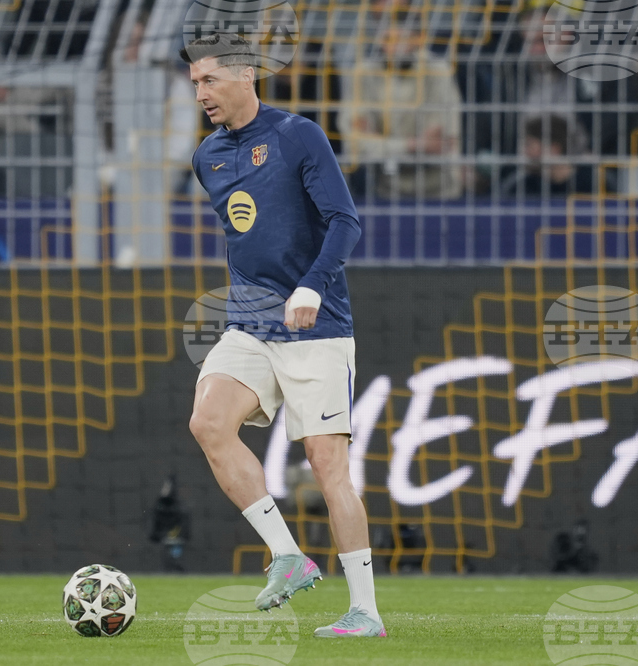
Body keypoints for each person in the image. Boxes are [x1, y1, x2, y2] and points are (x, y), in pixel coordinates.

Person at [181, 32, 385, 638]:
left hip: (316, 325)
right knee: (207, 422)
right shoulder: (207, 156)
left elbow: (344, 221)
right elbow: (249, 236)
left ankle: (365, 611)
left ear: (247, 75)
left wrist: (312, 286)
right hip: (250, 322)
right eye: (195, 83)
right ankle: (289, 556)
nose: (201, 93)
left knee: (327, 467)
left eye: (210, 80)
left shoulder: (298, 135)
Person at [337, 3, 462, 200]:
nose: (394, 46)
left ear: (418, 37)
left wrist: (380, 143)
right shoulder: (364, 74)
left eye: (402, 38)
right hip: (383, 192)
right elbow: (354, 145)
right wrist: (413, 145)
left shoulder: (438, 72)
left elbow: (442, 144)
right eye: (388, 38)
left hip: (440, 193)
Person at [501, 116, 594, 197]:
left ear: (554, 149)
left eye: (529, 145)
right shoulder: (520, 187)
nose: (523, 152)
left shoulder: (592, 183)